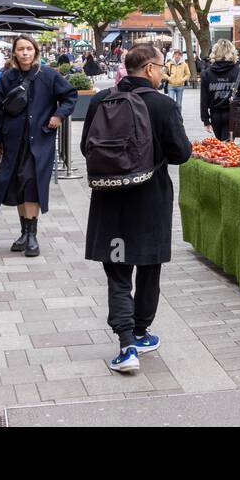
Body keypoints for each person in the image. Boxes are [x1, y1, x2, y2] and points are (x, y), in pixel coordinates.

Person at [82, 43, 192, 374]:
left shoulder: (102, 100)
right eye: (160, 67)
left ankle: (126, 344)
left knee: (117, 271)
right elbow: (181, 153)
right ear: (148, 69)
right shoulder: (163, 105)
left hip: (111, 198)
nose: (163, 72)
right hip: (150, 199)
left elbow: (87, 144)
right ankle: (141, 332)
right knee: (148, 266)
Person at [0, 35, 77, 258]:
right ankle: (24, 233)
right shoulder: (8, 77)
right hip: (13, 141)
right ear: (15, 53)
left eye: (29, 48)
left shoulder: (48, 75)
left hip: (40, 140)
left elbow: (70, 96)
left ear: (35, 51)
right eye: (21, 49)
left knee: (31, 183)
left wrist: (58, 115)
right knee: (17, 184)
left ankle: (32, 235)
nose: (25, 53)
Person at [199, 39, 240, 140]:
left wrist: (206, 120)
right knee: (227, 147)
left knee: (221, 146)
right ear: (232, 52)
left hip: (215, 114)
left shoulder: (206, 73)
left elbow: (204, 99)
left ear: (215, 53)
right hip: (232, 114)